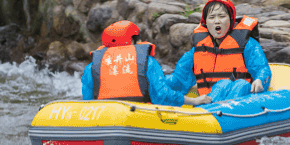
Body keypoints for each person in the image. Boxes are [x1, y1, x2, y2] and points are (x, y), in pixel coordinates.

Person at [81, 20, 211, 106]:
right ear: (131, 40)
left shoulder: (91, 67)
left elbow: (87, 102)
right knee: (172, 83)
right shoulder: (147, 62)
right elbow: (162, 94)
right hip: (140, 118)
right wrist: (194, 101)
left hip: (104, 119)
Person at [168, 0, 272, 103]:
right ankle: (207, 109)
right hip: (206, 100)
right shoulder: (197, 49)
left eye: (222, 16)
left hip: (239, 99)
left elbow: (261, 68)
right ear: (206, 22)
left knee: (241, 84)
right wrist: (156, 84)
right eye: (212, 17)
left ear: (231, 19)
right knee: (224, 84)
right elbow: (179, 79)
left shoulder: (247, 44)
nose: (217, 21)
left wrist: (260, 80)